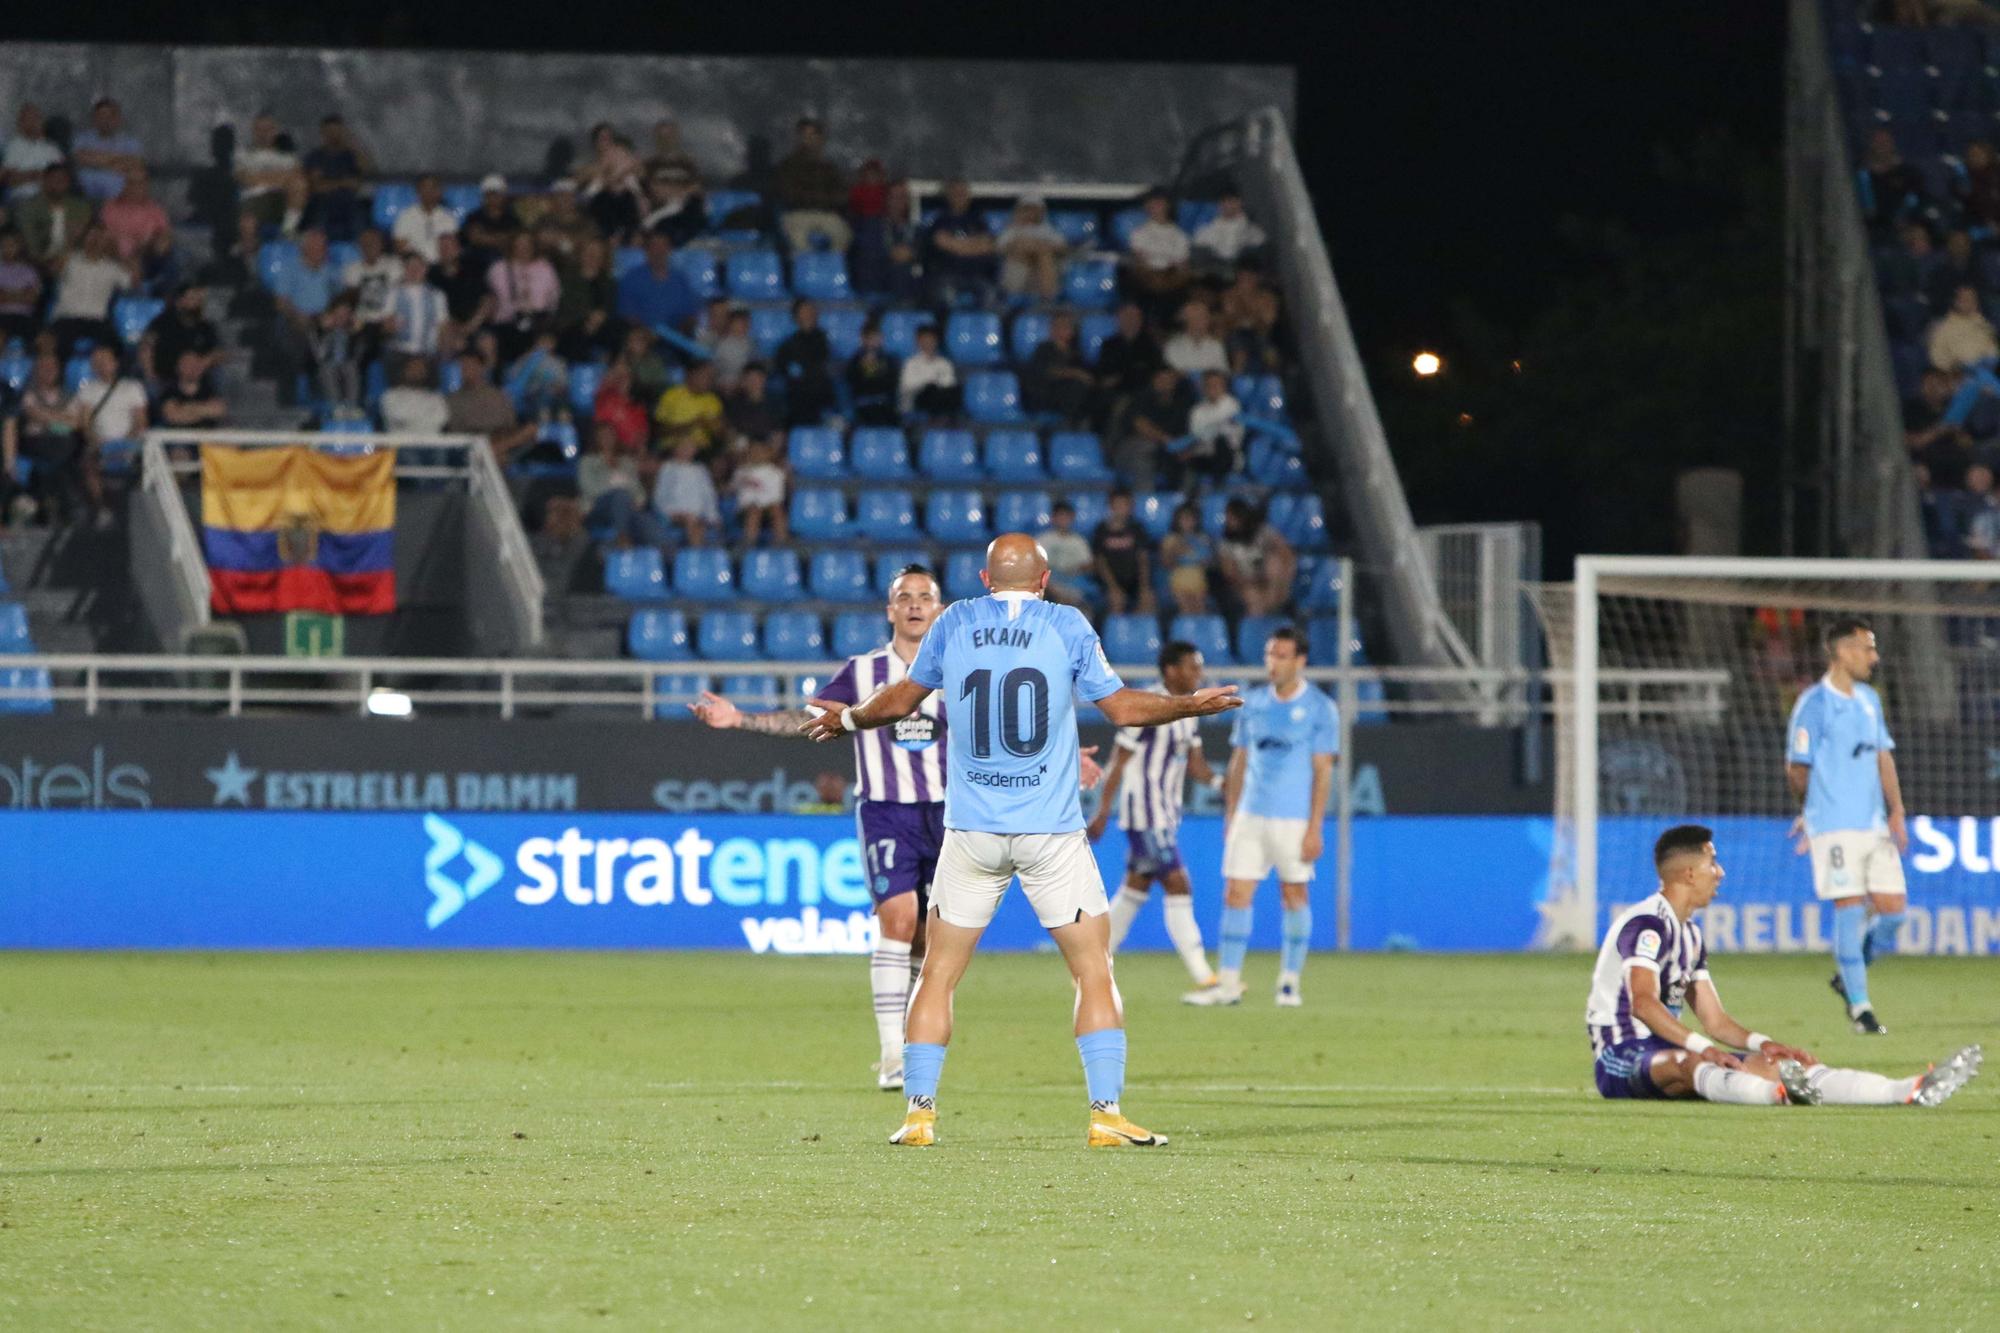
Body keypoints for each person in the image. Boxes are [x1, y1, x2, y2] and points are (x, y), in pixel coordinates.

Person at [799, 534, 1242, 1148]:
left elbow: (900, 700)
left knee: (937, 975)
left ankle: (919, 1116)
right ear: (1043, 579)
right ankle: (1105, 1115)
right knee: (1093, 970)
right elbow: (1121, 711)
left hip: (972, 832)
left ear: (984, 578)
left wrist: (844, 717)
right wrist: (1189, 704)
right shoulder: (1065, 624)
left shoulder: (954, 622)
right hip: (1050, 832)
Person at [689, 566, 950, 1090]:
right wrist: (741, 719)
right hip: (886, 812)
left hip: (952, 815)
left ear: (940, 609)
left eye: (926, 597)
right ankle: (892, 1057)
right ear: (890, 610)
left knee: (932, 938)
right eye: (905, 597)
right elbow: (811, 718)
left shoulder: (961, 669)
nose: (916, 605)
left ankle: (916, 1037)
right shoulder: (863, 670)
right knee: (897, 921)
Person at [1585, 824, 1978, 1108]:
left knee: (1782, 1064)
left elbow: (1715, 1020)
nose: (1719, 872)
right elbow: (1643, 1003)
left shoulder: (1691, 935)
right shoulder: (1646, 924)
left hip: (1669, 1050)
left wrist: (1763, 1044)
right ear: (1689, 873)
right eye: (1712, 863)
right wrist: (1707, 1049)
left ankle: (1908, 1089)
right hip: (1622, 1055)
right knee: (1689, 1061)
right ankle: (1776, 1095)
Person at [1189, 625, 1336, 1007]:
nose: (1273, 662)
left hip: (1293, 820)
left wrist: (1315, 827)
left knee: (1294, 894)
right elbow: (1239, 762)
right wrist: (1231, 814)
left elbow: (1323, 772)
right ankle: (1229, 983)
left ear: (1300, 661)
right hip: (1250, 816)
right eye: (1270, 654)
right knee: (1236, 893)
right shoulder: (1251, 703)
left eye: (1282, 655)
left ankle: (1289, 981)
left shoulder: (1320, 708)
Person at [1785, 618, 1908, 1036]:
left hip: (1874, 824)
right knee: (1850, 911)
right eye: (1867, 648)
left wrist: (1897, 810)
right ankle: (1861, 1008)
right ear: (1842, 651)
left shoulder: (1870, 700)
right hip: (1833, 826)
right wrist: (1809, 811)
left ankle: (1848, 973)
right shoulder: (1813, 705)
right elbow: (1797, 768)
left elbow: (1883, 756)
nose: (1874, 657)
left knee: (1893, 913)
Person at [1088, 640, 1224, 992]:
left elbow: (1196, 765)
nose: (1200, 673)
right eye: (1193, 667)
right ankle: (1204, 976)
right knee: (1178, 883)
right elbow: (1118, 761)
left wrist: (1222, 783)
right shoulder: (1147, 707)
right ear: (1171, 671)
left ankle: (1094, 965)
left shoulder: (1189, 710)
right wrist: (1102, 811)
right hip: (1144, 814)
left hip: (1165, 814)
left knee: (1135, 886)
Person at [577, 420, 664, 548]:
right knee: (620, 495)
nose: (607, 439)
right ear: (596, 439)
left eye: (610, 435)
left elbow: (638, 489)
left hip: (627, 507)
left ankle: (669, 555)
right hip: (597, 507)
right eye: (603, 436)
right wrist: (616, 487)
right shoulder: (587, 462)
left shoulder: (626, 462)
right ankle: (623, 537)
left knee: (646, 520)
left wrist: (639, 500)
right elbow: (589, 489)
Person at [49, 224, 132, 355]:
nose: (95, 241)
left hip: (96, 319)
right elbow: (54, 270)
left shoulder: (112, 267)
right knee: (58, 345)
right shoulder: (70, 259)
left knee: (116, 346)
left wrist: (116, 252)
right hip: (67, 317)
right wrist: (70, 241)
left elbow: (132, 283)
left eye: (99, 237)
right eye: (91, 236)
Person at [773, 117, 851, 254]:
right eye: (805, 135)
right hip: (797, 215)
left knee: (843, 235)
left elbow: (842, 195)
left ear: (820, 139)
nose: (809, 140)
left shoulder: (829, 168)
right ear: (799, 138)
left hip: (825, 214)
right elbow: (790, 194)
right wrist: (823, 198)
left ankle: (829, 272)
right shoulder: (788, 165)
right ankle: (807, 274)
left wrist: (818, 198)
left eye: (813, 135)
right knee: (800, 242)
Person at [444, 350, 536, 461]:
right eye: (463, 366)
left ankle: (493, 452)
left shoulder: (498, 395)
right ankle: (492, 455)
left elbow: (511, 425)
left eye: (471, 365)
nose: (466, 369)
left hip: (500, 442)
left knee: (530, 430)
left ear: (481, 368)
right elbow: (456, 430)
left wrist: (502, 438)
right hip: (472, 444)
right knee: (497, 456)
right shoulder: (453, 399)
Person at [1216, 496, 1296, 618]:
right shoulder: (1226, 543)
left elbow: (1286, 552)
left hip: (1272, 582)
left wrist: (1285, 577)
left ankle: (1273, 603)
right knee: (1253, 597)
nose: (1228, 520)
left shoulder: (1263, 531)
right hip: (1245, 583)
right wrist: (1250, 582)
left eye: (1231, 517)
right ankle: (1258, 627)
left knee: (1274, 561)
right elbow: (1230, 573)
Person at [487, 230, 559, 362]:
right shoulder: (499, 269)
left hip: (538, 321)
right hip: (508, 322)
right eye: (519, 244)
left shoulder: (545, 267)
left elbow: (553, 300)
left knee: (548, 339)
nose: (523, 248)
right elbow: (498, 299)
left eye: (527, 244)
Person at [922, 178, 995, 307]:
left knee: (991, 296)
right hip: (947, 275)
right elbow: (941, 241)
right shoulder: (940, 220)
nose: (960, 196)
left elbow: (987, 245)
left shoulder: (978, 219)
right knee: (945, 298)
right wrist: (973, 245)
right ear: (948, 196)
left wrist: (957, 245)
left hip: (978, 275)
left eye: (963, 193)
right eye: (956, 193)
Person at [301, 115, 372, 241]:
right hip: (323, 202)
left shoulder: (351, 155)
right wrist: (343, 183)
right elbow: (317, 187)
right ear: (323, 133)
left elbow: (368, 171)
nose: (333, 135)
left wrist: (354, 146)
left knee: (361, 220)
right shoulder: (316, 156)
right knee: (317, 221)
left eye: (336, 131)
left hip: (350, 201)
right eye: (329, 131)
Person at [615, 231, 699, 336]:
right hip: (641, 340)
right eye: (654, 246)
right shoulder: (631, 279)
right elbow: (628, 316)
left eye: (663, 246)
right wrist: (648, 335)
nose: (659, 251)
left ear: (669, 250)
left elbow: (690, 314)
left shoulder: (681, 280)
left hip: (675, 342)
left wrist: (679, 333)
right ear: (647, 251)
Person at [1123, 189, 1192, 315]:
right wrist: (1152, 280)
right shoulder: (1138, 233)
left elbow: (1183, 268)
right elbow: (1139, 263)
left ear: (1166, 205)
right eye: (1151, 203)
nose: (1153, 206)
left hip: (1171, 283)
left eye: (1157, 202)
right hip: (1146, 284)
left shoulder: (1180, 236)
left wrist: (1167, 282)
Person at [17, 162, 93, 274]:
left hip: (73, 261)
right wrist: (45, 263)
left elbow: (81, 240)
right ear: (44, 181)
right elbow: (30, 242)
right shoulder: (30, 207)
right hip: (38, 262)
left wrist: (64, 260)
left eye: (64, 180)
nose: (59, 183)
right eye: (55, 179)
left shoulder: (80, 207)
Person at [772, 297, 836, 426]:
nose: (808, 315)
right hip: (798, 400)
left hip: (821, 398)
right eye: (803, 312)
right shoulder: (787, 346)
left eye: (810, 311)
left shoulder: (823, 341)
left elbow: (824, 367)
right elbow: (782, 369)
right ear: (796, 316)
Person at [234, 111, 303, 229]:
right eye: (259, 129)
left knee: (299, 185)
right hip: (255, 200)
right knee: (245, 215)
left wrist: (262, 177)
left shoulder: (288, 156)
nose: (264, 134)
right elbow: (247, 179)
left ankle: (288, 231)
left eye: (268, 129)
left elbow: (298, 180)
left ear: (275, 131)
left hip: (284, 200)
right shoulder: (243, 155)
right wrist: (283, 178)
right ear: (253, 131)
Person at [1024, 310, 1095, 424]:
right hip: (1047, 395)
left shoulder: (1076, 353)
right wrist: (1075, 373)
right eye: (1057, 326)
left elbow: (1086, 375)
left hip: (1070, 396)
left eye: (1065, 326)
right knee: (1075, 386)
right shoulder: (1043, 349)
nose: (1060, 329)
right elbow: (1046, 371)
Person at [1092, 488, 1155, 615]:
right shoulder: (1101, 530)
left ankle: (1141, 633)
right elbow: (1100, 562)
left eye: (1125, 504)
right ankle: (1117, 633)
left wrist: (1144, 587)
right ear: (1110, 506)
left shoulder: (1137, 529)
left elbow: (1143, 559)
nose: (1121, 508)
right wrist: (1113, 587)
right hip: (1110, 581)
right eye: (1117, 504)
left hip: (1134, 580)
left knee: (1148, 601)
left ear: (1131, 507)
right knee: (1116, 601)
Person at [70, 97, 144, 203]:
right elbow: (81, 159)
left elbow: (135, 164)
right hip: (86, 193)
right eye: (101, 116)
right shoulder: (82, 139)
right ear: (94, 118)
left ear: (118, 118)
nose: (105, 120)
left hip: (119, 196)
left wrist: (97, 158)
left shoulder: (130, 142)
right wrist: (117, 161)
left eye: (110, 116)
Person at [651, 431, 720, 545]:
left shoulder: (701, 470)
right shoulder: (667, 468)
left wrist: (713, 515)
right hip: (674, 513)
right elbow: (659, 495)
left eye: (689, 446)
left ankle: (698, 552)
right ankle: (695, 553)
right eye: (682, 446)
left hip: (698, 514)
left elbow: (708, 495)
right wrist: (669, 512)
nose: (686, 449)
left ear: (695, 449)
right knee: (691, 521)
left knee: (699, 523)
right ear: (675, 448)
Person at [995, 196, 1067, 302]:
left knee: (1044, 255)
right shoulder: (1010, 230)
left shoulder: (1048, 230)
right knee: (1022, 250)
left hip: (1040, 270)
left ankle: (1047, 298)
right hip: (1017, 269)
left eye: (1034, 209)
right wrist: (1027, 247)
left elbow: (1062, 248)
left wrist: (1036, 247)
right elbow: (1000, 247)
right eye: (1027, 209)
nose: (1031, 213)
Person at [385, 251, 447, 366]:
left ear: (425, 269)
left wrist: (441, 351)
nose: (414, 270)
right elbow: (387, 325)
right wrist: (390, 327)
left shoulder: (437, 295)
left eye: (418, 266)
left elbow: (442, 327)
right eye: (409, 266)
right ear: (403, 269)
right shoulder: (393, 293)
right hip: (400, 351)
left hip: (428, 353)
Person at [653, 358, 725, 453]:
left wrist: (718, 429)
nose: (709, 381)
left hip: (702, 452)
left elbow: (721, 435)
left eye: (711, 377)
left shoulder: (713, 401)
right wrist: (692, 425)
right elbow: (658, 431)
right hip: (672, 449)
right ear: (691, 375)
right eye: (705, 376)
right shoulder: (671, 395)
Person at [730, 433, 789, 546]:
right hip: (746, 509)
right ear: (749, 453)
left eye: (761, 451)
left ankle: (781, 543)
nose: (757, 454)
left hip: (768, 507)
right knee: (754, 510)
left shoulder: (775, 472)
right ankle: (749, 544)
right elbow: (733, 488)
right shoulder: (742, 471)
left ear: (768, 454)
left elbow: (777, 495)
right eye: (754, 451)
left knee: (777, 510)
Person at [1159, 500, 1216, 613]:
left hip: (1199, 584)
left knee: (1200, 607)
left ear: (1196, 520)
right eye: (1184, 519)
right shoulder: (1170, 539)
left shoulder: (1204, 539)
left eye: (1191, 519)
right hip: (1178, 584)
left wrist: (1204, 559)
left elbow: (1210, 564)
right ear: (1177, 521)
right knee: (1186, 607)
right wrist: (1176, 552)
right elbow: (1165, 564)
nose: (1187, 522)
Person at [1037, 499, 1095, 609]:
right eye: (1060, 516)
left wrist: (1077, 569)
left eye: (1066, 517)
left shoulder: (1079, 541)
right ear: (1053, 518)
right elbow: (1035, 566)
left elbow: (1089, 565)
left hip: (1073, 583)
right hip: (1050, 584)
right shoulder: (1043, 539)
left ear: (1072, 518)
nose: (1063, 520)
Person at [2, 103, 64, 203]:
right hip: (21, 198)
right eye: (28, 119)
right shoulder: (13, 146)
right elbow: (9, 180)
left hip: (49, 199)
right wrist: (36, 175)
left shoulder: (52, 149)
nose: (33, 122)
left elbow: (61, 178)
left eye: (35, 118)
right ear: (20, 123)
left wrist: (26, 175)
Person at [843, 318, 899, 427]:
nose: (873, 342)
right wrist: (865, 368)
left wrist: (875, 372)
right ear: (863, 339)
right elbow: (853, 381)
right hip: (863, 404)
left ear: (881, 339)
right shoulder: (855, 360)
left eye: (876, 337)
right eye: (869, 338)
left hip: (884, 403)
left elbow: (891, 382)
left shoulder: (889, 360)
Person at [1191, 191, 1266, 271]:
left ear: (1240, 203)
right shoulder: (1203, 233)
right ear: (1219, 204)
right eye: (1223, 201)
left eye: (1231, 201)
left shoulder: (1256, 234)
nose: (1227, 205)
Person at [391, 175, 457, 263]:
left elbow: (451, 249)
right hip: (413, 266)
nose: (428, 192)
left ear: (439, 191)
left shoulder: (448, 217)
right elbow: (399, 247)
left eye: (433, 188)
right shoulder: (405, 216)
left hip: (439, 267)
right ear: (417, 191)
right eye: (424, 188)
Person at [897, 322, 958, 417]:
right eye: (925, 339)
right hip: (917, 401)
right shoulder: (911, 363)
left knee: (945, 393)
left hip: (939, 399)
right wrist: (929, 382)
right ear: (918, 341)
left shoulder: (945, 363)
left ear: (936, 341)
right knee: (930, 390)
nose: (928, 342)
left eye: (931, 339)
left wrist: (932, 383)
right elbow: (907, 385)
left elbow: (949, 383)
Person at [378, 353, 449, 436]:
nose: (416, 372)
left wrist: (413, 420)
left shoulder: (436, 397)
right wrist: (423, 419)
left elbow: (440, 420)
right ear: (404, 371)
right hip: (400, 445)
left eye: (420, 368)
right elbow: (397, 417)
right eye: (412, 368)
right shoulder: (390, 396)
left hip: (430, 444)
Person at [158, 349, 227, 429]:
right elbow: (173, 416)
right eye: (187, 364)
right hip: (176, 439)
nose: (192, 368)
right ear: (178, 367)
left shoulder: (211, 389)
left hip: (206, 440)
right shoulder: (169, 391)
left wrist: (185, 408)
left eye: (196, 363)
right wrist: (205, 409)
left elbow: (218, 411)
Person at [1163, 299, 1229, 376]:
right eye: (1197, 318)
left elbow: (1223, 374)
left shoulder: (1216, 345)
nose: (1203, 321)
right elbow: (1170, 375)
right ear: (1187, 320)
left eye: (1205, 317)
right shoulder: (1172, 346)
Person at [0, 230, 44, 343]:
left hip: (25, 317)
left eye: (11, 246)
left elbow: (32, 299)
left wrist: (6, 293)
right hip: (2, 315)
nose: (8, 249)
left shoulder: (30, 271)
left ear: (18, 248)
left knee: (40, 339)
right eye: (4, 246)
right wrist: (22, 293)